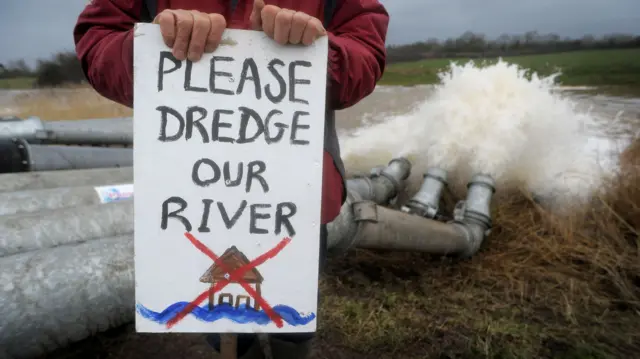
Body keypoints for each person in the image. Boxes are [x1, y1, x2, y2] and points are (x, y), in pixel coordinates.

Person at [74, 0, 388, 358]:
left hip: (293, 199)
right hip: (189, 202)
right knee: (220, 321)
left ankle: (293, 350)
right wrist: (151, 46)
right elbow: (98, 41)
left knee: (294, 306)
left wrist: (319, 51)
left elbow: (365, 54)